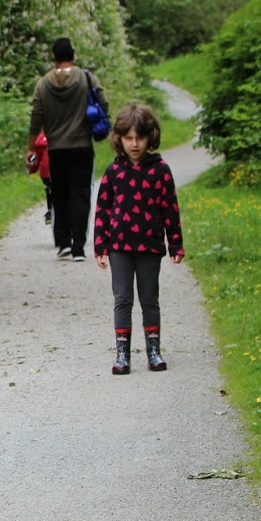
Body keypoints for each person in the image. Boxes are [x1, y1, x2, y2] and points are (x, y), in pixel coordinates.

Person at [93, 103, 184, 374]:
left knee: (149, 298)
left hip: (150, 245)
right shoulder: (113, 171)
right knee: (122, 298)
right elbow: (103, 209)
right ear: (119, 139)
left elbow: (170, 209)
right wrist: (100, 245)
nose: (134, 144)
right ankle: (122, 355)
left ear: (150, 137)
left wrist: (175, 244)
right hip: (119, 246)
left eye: (140, 138)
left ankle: (153, 351)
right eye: (129, 138)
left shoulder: (160, 170)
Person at [27, 37, 107, 261]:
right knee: (81, 195)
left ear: (54, 58)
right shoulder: (87, 78)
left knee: (59, 194)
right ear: (73, 55)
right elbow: (103, 103)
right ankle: (78, 247)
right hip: (82, 146)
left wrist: (30, 148)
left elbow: (36, 117)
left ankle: (63, 243)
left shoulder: (43, 84)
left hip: (55, 148)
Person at [26, 131, 54, 226]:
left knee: (49, 188)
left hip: (46, 173)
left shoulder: (40, 139)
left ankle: (50, 211)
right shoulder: (62, 133)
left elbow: (36, 160)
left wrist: (32, 170)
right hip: (60, 170)